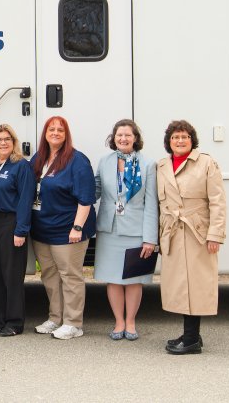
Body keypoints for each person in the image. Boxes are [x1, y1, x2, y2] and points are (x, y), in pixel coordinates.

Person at [157, 120, 226, 355]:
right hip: (173, 233)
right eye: (175, 137)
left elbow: (218, 202)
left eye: (184, 137)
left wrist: (215, 234)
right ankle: (192, 334)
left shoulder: (206, 163)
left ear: (191, 140)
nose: (180, 141)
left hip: (198, 234)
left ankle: (191, 340)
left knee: (196, 285)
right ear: (169, 141)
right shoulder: (162, 165)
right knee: (180, 286)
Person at [30, 116, 96, 340]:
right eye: (51, 129)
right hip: (42, 229)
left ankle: (73, 323)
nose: (56, 133)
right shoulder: (39, 158)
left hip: (68, 230)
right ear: (45, 133)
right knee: (49, 275)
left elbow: (86, 198)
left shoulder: (77, 160)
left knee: (70, 276)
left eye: (60, 130)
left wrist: (77, 227)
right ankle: (55, 318)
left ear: (66, 134)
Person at [94, 119, 158, 341]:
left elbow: (151, 203)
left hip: (136, 230)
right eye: (119, 135)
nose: (123, 139)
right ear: (114, 138)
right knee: (112, 278)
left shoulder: (148, 164)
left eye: (127, 135)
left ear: (135, 138)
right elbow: (95, 191)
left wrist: (150, 238)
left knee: (133, 279)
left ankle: (130, 322)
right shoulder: (104, 162)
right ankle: (118, 321)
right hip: (109, 229)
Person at [0, 124, 34, 337]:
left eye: (7, 139)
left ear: (13, 142)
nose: (3, 143)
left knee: (11, 275)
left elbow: (25, 199)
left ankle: (14, 322)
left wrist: (21, 230)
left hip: (10, 223)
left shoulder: (21, 166)